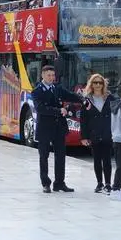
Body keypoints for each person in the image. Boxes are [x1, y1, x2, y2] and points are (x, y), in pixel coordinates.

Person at [31, 65, 83, 193]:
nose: (51, 78)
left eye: (53, 75)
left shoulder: (57, 88)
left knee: (61, 156)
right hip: (45, 128)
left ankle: (59, 183)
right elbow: (41, 109)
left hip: (59, 128)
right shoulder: (37, 91)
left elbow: (71, 96)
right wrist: (59, 110)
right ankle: (45, 183)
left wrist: (83, 98)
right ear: (42, 75)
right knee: (44, 156)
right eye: (48, 75)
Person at [80, 74, 114, 194]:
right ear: (91, 84)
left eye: (100, 83)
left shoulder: (110, 98)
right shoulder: (87, 100)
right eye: (95, 83)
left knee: (107, 160)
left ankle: (108, 184)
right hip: (94, 133)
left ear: (103, 84)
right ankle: (99, 183)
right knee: (96, 160)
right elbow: (83, 120)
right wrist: (84, 137)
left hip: (107, 133)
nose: (98, 85)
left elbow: (117, 116)